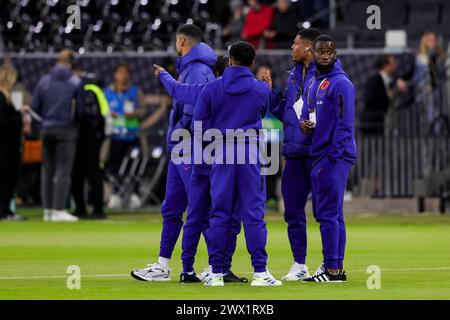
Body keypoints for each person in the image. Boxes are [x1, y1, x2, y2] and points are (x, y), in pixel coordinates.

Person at [131, 24, 217, 282]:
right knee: (172, 209)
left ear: (181, 41)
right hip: (180, 148)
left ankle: (217, 266)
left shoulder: (198, 70)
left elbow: (194, 109)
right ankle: (162, 265)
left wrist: (181, 133)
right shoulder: (192, 69)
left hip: (190, 147)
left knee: (200, 208)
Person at [151, 56, 247, 284]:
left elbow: (179, 91)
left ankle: (190, 271)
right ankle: (219, 268)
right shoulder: (247, 91)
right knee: (226, 216)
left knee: (198, 214)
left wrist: (164, 75)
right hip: (226, 161)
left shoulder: (208, 89)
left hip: (202, 157)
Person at [194, 41, 282, 287]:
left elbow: (198, 127)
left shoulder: (211, 89)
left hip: (221, 154)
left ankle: (216, 271)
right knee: (253, 214)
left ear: (230, 60)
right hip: (250, 154)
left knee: (219, 214)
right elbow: (266, 110)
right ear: (252, 63)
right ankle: (261, 272)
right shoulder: (260, 90)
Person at [262, 28, 321, 280]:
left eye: (295, 44)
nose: (291, 48)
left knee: (326, 213)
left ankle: (331, 265)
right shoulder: (294, 76)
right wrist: (269, 94)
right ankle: (300, 265)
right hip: (295, 154)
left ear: (308, 48)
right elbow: (286, 113)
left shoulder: (325, 75)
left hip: (319, 154)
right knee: (293, 212)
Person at [301, 34, 356, 282]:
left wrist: (332, 157)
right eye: (321, 51)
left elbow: (346, 125)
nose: (325, 55)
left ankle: (332, 270)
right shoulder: (313, 82)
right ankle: (335, 267)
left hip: (332, 156)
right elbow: (310, 113)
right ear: (312, 52)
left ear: (335, 53)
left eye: (329, 52)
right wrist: (307, 125)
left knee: (327, 214)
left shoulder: (341, 83)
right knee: (332, 214)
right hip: (320, 153)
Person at [31, 49, 85, 222]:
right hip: (66, 130)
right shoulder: (75, 82)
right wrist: (74, 125)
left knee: (46, 170)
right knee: (63, 170)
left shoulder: (44, 81)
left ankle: (47, 210)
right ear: (71, 63)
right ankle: (59, 209)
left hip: (46, 128)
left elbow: (34, 107)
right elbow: (81, 111)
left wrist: (41, 125)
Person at [71, 68, 109, 220]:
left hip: (79, 137)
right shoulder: (98, 91)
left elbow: (79, 114)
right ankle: (98, 209)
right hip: (95, 138)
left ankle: (80, 208)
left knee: (77, 174)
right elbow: (104, 114)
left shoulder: (78, 90)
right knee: (95, 173)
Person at [103, 63, 146, 187]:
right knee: (114, 167)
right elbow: (103, 111)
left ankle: (134, 192)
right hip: (114, 136)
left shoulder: (136, 91)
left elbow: (143, 110)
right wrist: (110, 114)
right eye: (120, 72)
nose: (123, 75)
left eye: (125, 72)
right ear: (115, 75)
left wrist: (134, 113)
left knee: (133, 167)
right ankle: (115, 193)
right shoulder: (108, 92)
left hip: (132, 135)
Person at [0, 62, 27, 221]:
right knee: (4, 178)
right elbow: (3, 122)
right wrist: (18, 118)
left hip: (10, 147)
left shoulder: (7, 97)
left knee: (9, 178)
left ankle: (6, 210)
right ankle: (3, 211)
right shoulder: (1, 97)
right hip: (4, 147)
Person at [362, 54, 408, 135]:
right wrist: (389, 95)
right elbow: (370, 100)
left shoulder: (392, 80)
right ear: (386, 65)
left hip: (385, 123)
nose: (396, 65)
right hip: (373, 124)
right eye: (393, 63)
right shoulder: (374, 80)